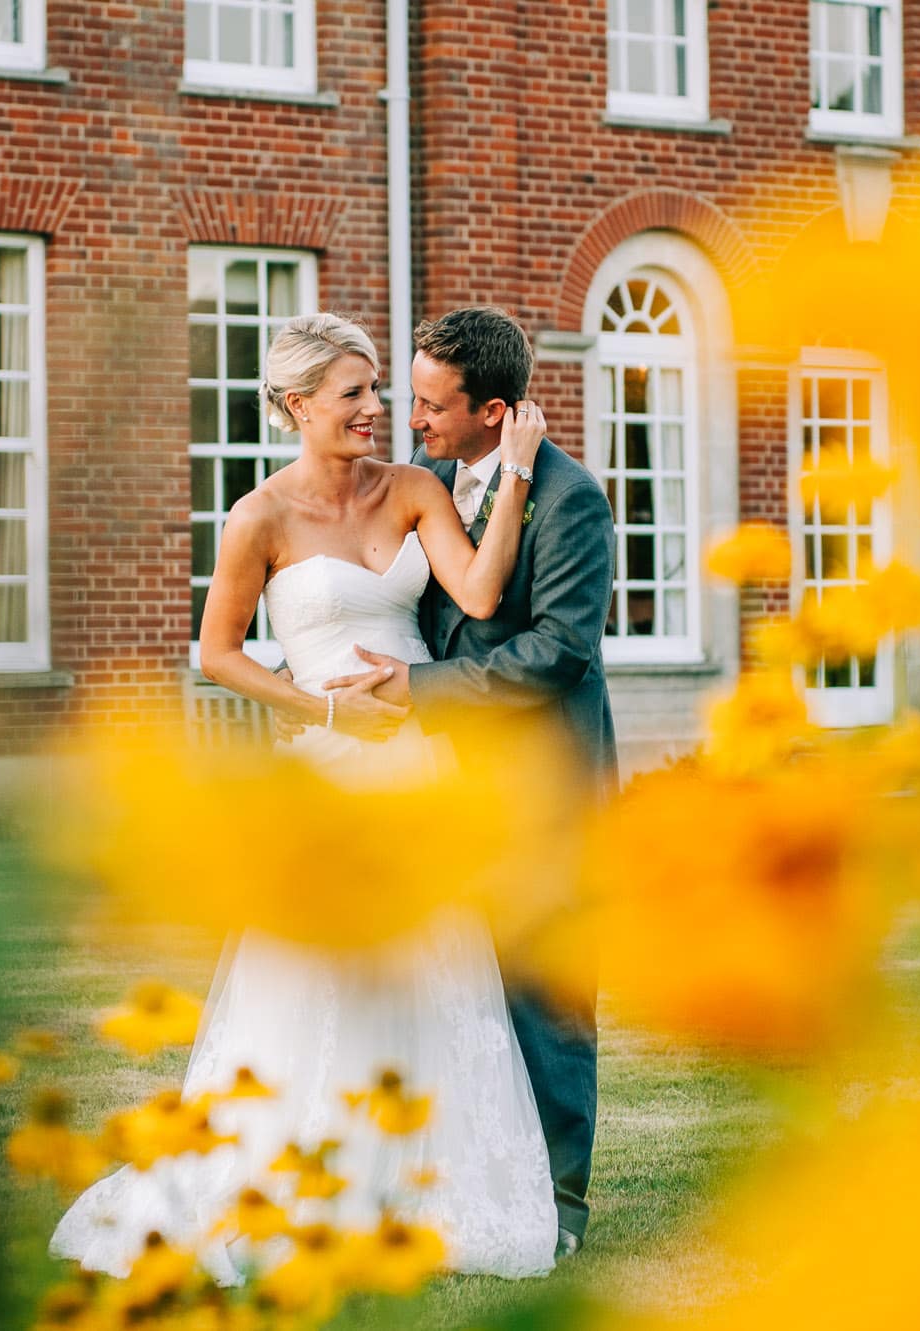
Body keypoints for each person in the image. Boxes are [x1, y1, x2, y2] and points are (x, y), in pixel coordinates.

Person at [49, 312, 558, 1279]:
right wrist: (319, 710)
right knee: (316, 986)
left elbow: (482, 595)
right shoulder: (260, 517)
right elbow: (216, 653)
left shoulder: (415, 490)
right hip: (325, 772)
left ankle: (421, 1186)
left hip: (417, 768)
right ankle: (301, 1178)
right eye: (357, 394)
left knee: (429, 973)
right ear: (297, 406)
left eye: (378, 391)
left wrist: (520, 467)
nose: (379, 411)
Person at [316, 305, 616, 1259]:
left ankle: (562, 1205)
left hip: (544, 782)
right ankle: (468, 1180)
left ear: (493, 410)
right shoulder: (432, 481)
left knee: (545, 989)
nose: (413, 420)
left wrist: (416, 688)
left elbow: (558, 652)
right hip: (443, 782)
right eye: (408, 397)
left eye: (432, 406)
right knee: (458, 992)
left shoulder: (572, 500)